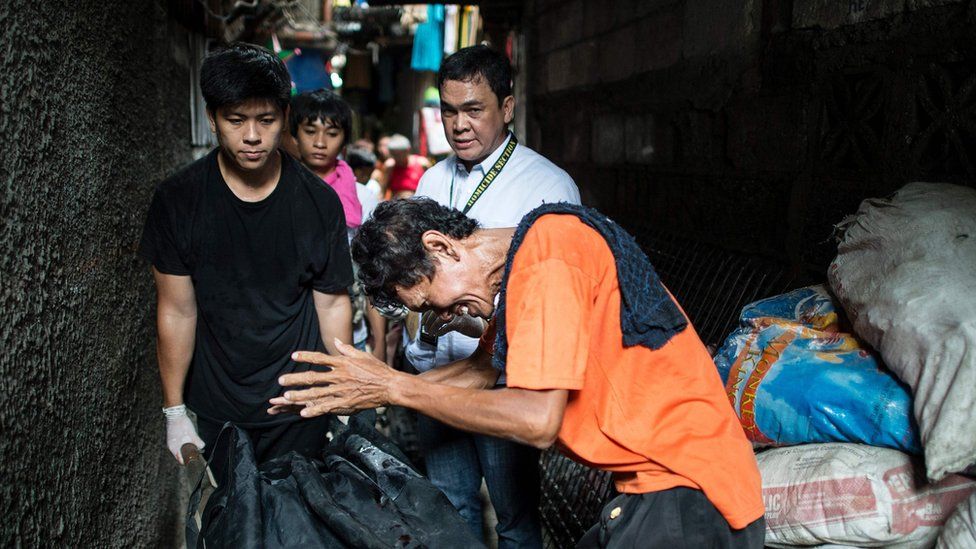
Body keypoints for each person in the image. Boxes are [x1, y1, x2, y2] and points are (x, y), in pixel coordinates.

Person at [270, 198, 767, 549]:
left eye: (433, 302)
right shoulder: (526, 267)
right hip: (653, 489)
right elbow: (480, 372)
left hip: (690, 491)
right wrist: (366, 393)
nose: (444, 315)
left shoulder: (547, 254)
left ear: (442, 247)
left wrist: (393, 384)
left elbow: (536, 418)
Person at [139, 43, 354, 479]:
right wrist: (174, 410)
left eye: (266, 120)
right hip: (219, 408)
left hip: (300, 402)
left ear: (285, 118)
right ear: (211, 118)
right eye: (236, 121)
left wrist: (342, 391)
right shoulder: (178, 201)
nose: (252, 136)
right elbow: (177, 308)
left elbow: (331, 304)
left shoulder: (319, 203)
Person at [398, 45, 580, 548]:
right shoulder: (432, 180)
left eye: (474, 110)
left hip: (504, 382)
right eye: (449, 111)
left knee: (515, 518)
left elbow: (557, 297)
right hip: (438, 376)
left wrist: (480, 321)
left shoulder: (547, 185)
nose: (459, 125)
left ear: (506, 107)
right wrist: (424, 338)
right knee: (449, 509)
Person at [383, 134, 430, 199]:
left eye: (399, 154)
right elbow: (383, 189)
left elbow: (431, 186)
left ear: (407, 150)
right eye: (394, 154)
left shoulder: (422, 163)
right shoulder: (390, 166)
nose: (397, 157)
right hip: (397, 204)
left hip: (419, 203)